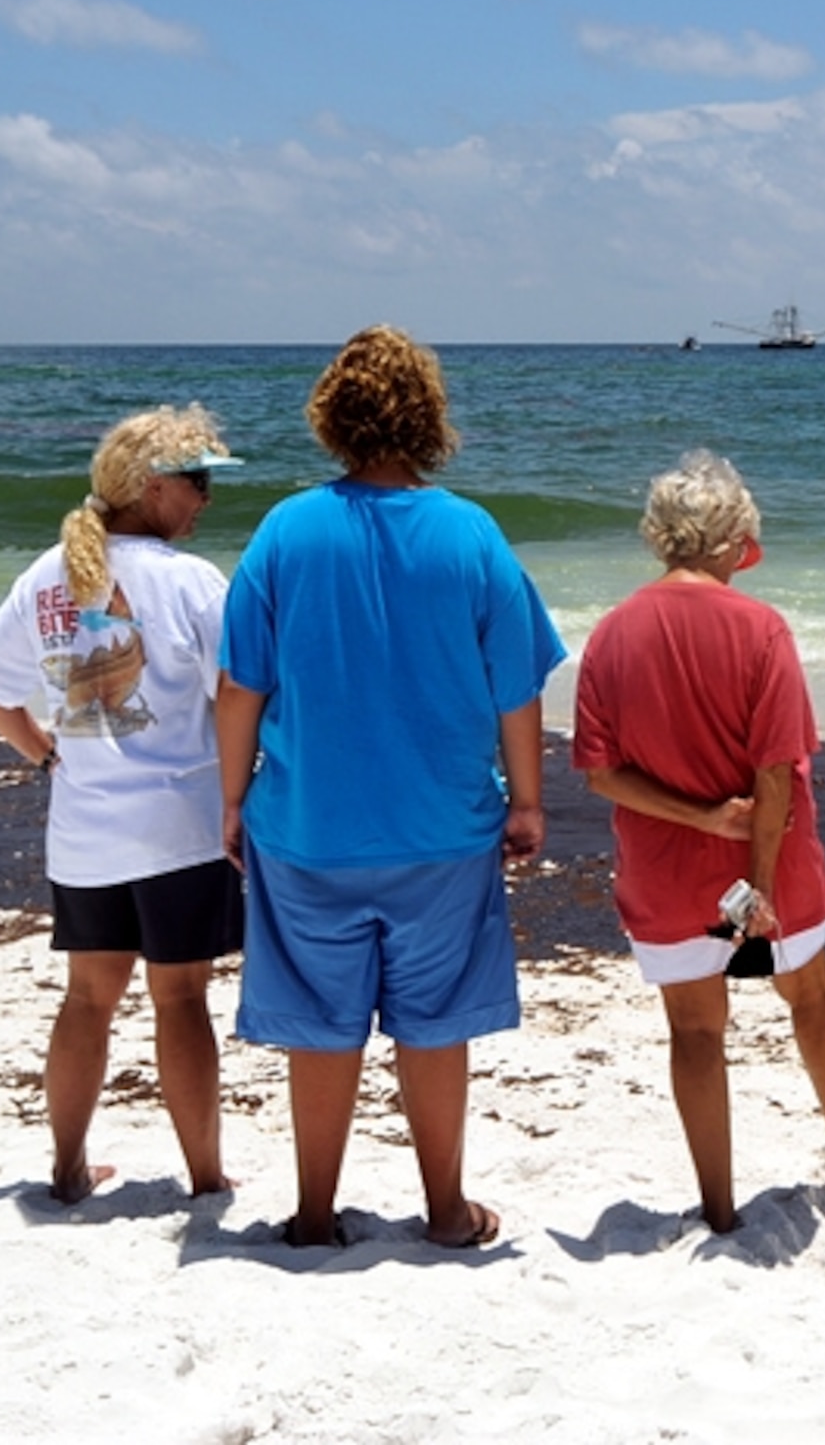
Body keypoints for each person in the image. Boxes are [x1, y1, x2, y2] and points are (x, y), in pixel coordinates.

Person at [217, 325, 565, 1251]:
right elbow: (517, 685)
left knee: (322, 1030)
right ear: (428, 418)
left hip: (308, 826)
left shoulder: (287, 530)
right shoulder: (469, 533)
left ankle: (316, 1212)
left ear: (333, 418)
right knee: (434, 1024)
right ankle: (447, 1210)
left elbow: (240, 686)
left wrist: (231, 800)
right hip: (442, 828)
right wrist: (526, 801)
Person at [572, 449, 825, 1235]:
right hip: (766, 864)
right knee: (810, 997)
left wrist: (699, 818)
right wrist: (761, 882)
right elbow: (775, 772)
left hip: (665, 869)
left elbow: (602, 775)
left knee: (695, 1030)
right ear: (729, 537)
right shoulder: (760, 628)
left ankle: (716, 1208)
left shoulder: (610, 634)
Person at [0, 404, 245, 1205]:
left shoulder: (49, 572)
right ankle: (205, 1176)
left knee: (88, 999)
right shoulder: (189, 580)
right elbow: (239, 690)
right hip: (179, 826)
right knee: (181, 998)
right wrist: (247, 783)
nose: (204, 500)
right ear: (151, 488)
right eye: (195, 482)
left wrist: (47, 752)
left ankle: (68, 1168)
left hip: (84, 831)